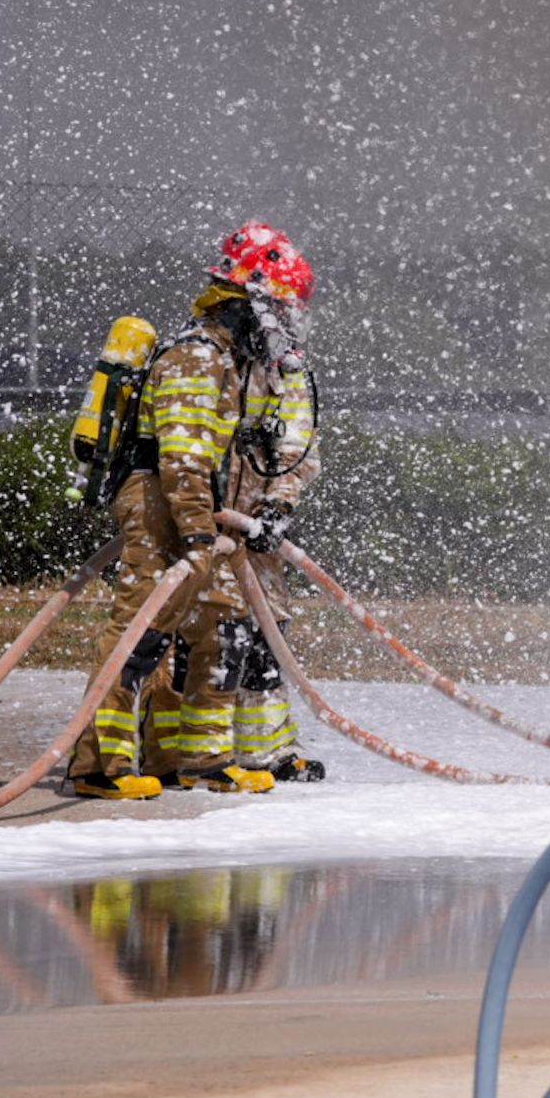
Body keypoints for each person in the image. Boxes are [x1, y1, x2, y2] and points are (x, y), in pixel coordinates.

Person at [64, 224, 314, 799]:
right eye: (279, 310)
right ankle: (98, 764)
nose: (285, 327)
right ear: (248, 303)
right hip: (160, 501)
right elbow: (181, 459)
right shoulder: (196, 357)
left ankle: (200, 758)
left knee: (221, 629)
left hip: (199, 507)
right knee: (141, 632)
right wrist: (200, 536)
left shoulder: (229, 358)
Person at [228, 292, 325, 783]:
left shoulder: (287, 373)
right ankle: (200, 752)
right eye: (279, 311)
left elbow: (297, 449)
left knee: (266, 634)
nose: (288, 324)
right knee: (213, 637)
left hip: (252, 526)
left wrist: (277, 506)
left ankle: (265, 750)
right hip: (209, 522)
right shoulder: (209, 359)